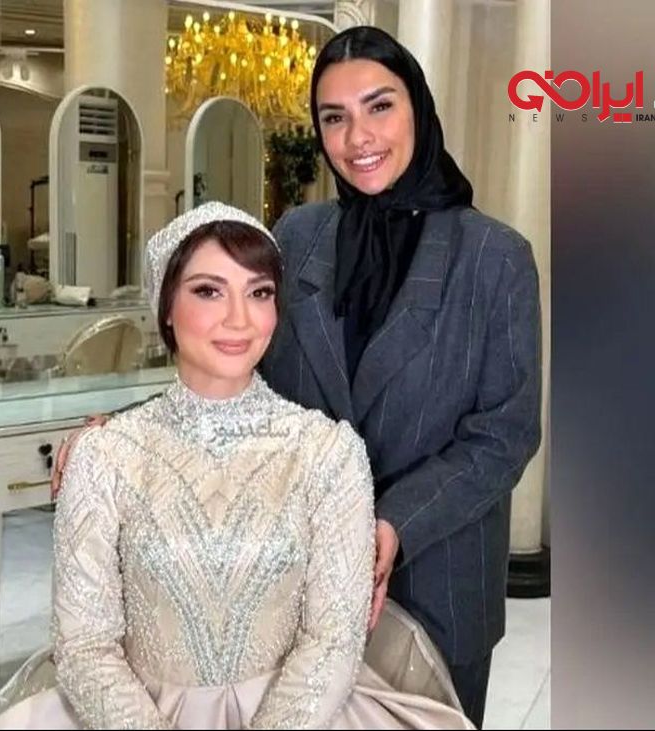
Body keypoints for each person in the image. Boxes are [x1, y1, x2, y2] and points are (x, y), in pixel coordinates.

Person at [0, 202, 471, 730]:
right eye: (208, 291)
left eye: (259, 292)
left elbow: (333, 640)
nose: (239, 318)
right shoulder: (104, 456)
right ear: (166, 307)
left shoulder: (328, 453)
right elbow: (85, 646)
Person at [255, 26, 544, 728]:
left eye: (379, 106)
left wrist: (393, 522)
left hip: (439, 586)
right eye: (334, 117)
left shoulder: (494, 256)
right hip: (300, 587)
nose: (358, 137)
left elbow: (504, 435)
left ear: (418, 106)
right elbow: (238, 375)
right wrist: (130, 429)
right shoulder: (296, 238)